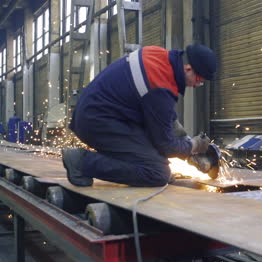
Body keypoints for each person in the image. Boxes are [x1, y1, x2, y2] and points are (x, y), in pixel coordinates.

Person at [61, 44, 216, 187]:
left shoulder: (159, 55)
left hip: (98, 113)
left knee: (156, 157)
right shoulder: (161, 87)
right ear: (188, 69)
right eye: (199, 80)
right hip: (97, 123)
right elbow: (166, 145)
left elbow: (163, 116)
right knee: (157, 173)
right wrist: (193, 146)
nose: (197, 85)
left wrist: (186, 148)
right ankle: (81, 162)